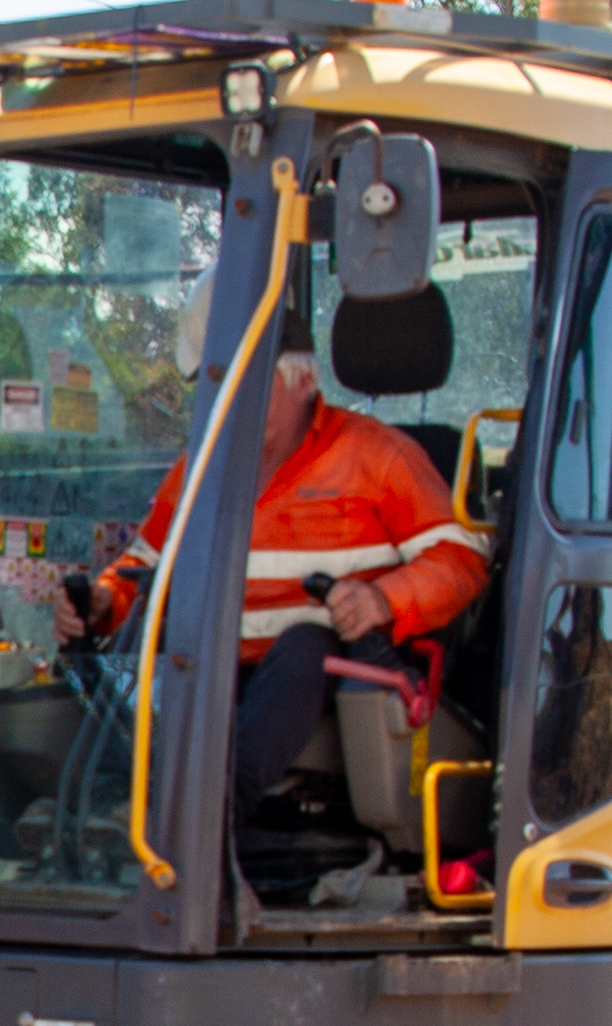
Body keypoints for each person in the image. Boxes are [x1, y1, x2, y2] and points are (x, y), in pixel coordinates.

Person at [63, 346, 491, 838]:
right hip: (218, 664)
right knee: (148, 643)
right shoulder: (201, 466)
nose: (229, 401)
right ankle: (95, 810)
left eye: (249, 385)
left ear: (302, 383)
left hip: (330, 668)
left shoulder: (378, 455)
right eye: (220, 386)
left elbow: (462, 561)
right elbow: (144, 564)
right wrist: (103, 601)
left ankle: (205, 819)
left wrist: (383, 599)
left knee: (305, 644)